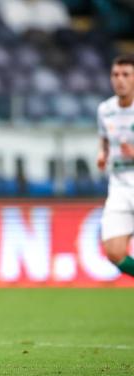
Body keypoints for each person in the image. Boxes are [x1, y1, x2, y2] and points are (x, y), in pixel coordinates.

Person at [97, 54, 134, 277]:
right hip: (119, 187)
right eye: (115, 74)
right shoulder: (105, 109)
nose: (119, 79)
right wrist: (102, 154)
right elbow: (104, 142)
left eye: (126, 74)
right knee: (114, 251)